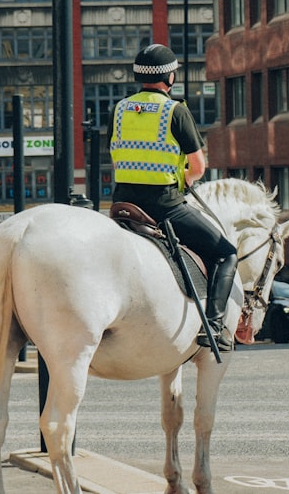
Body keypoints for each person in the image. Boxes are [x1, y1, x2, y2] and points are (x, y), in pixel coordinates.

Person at [110, 44, 238, 352]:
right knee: (226, 253)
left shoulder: (121, 108)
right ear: (170, 76)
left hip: (122, 204)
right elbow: (197, 166)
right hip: (163, 205)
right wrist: (184, 181)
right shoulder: (174, 110)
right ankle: (216, 327)